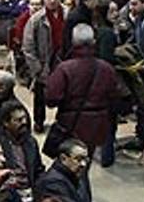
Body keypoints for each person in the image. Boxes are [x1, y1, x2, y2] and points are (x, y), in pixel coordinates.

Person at [45, 23, 126, 157]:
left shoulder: (64, 69)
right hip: (98, 125)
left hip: (71, 124)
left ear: (73, 42)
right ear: (94, 42)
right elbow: (116, 96)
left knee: (71, 162)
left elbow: (51, 99)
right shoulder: (106, 68)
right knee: (86, 160)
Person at [23, 0, 66, 133]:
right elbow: (28, 46)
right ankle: (39, 121)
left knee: (64, 93)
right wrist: (36, 68)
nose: (52, 1)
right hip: (44, 62)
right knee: (40, 95)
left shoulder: (68, 15)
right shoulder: (36, 19)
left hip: (62, 60)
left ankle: (62, 121)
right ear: (44, 0)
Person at [34, 139, 99, 202]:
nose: (83, 164)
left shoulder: (79, 174)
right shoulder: (52, 183)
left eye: (85, 159)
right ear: (63, 158)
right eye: (78, 159)